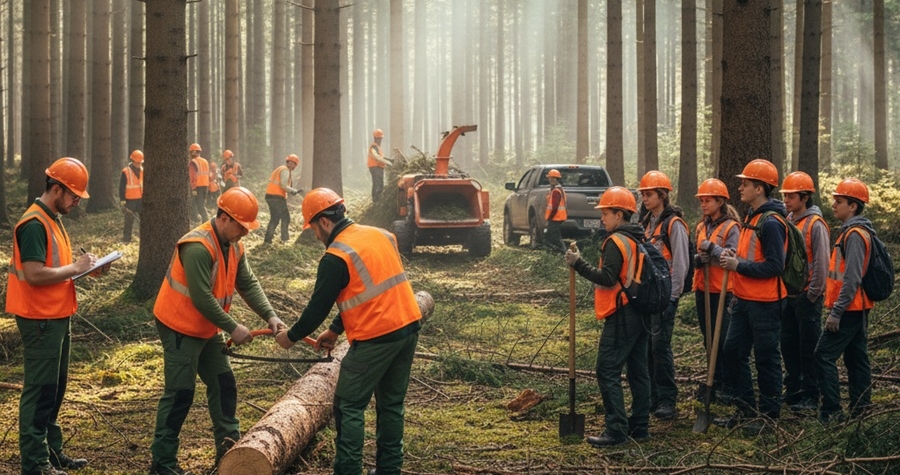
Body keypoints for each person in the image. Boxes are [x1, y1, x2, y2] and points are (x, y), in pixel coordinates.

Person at [275, 188, 422, 475]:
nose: (316, 236)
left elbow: (317, 307)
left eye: (315, 229)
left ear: (325, 222)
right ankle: (389, 470)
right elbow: (367, 291)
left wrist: (289, 337)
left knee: (348, 405)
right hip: (408, 327)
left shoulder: (335, 256)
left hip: (376, 337)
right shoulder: (382, 235)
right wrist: (335, 329)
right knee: (391, 405)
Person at [150, 187, 286, 475]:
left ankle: (230, 451)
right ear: (224, 218)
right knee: (180, 395)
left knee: (224, 384)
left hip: (207, 327)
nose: (245, 233)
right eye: (241, 226)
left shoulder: (234, 244)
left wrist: (270, 316)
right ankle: (162, 464)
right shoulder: (198, 247)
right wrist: (233, 327)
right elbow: (201, 297)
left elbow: (247, 283)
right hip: (180, 328)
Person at [6, 157, 106, 475]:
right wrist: (75, 268)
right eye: (74, 196)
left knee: (55, 387)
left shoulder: (52, 218)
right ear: (57, 189)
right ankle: (35, 463)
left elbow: (55, 269)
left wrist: (84, 270)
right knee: (40, 390)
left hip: (56, 314)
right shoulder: (34, 224)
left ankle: (50, 451)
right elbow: (35, 274)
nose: (77, 202)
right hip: (40, 318)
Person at [564, 186, 651, 447]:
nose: (602, 217)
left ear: (620, 215)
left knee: (606, 370)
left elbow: (607, 278)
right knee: (638, 371)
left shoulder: (616, 241)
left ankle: (616, 430)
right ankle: (640, 427)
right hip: (640, 312)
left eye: (606, 212)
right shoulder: (637, 238)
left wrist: (578, 263)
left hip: (623, 313)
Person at [718, 158, 787, 426]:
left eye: (745, 184)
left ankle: (769, 417)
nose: (741, 188)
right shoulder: (752, 217)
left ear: (760, 188)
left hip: (766, 303)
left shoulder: (770, 222)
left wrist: (739, 265)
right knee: (733, 351)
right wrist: (737, 256)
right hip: (745, 300)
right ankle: (746, 411)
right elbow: (754, 255)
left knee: (766, 359)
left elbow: (774, 266)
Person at [815, 178, 875, 424]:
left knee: (822, 355)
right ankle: (861, 410)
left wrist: (836, 312)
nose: (833, 205)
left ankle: (832, 412)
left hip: (849, 308)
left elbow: (851, 278)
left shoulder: (855, 235)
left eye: (839, 201)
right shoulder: (853, 232)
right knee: (856, 358)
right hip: (855, 307)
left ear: (853, 206)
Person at [637, 170, 689, 421]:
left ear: (663, 195)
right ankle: (652, 397)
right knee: (647, 346)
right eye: (643, 194)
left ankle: (668, 400)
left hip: (666, 295)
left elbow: (681, 262)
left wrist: (673, 295)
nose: (645, 198)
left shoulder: (674, 224)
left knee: (660, 346)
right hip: (648, 295)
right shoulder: (645, 222)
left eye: (649, 194)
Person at [779, 171, 830, 413]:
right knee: (788, 344)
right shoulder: (788, 220)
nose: (787, 200)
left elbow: (821, 262)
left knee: (808, 346)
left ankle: (811, 394)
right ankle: (794, 390)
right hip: (788, 295)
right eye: (785, 195)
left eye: (792, 196)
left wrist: (811, 295)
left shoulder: (815, 224)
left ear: (805, 197)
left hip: (808, 297)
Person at [692, 178, 740, 402]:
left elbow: (733, 256)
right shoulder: (701, 226)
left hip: (724, 291)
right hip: (703, 288)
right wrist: (698, 259)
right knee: (708, 338)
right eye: (701, 200)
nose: (703, 204)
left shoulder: (732, 227)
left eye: (708, 200)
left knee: (724, 341)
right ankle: (715, 380)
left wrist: (712, 248)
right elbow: (697, 254)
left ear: (720, 201)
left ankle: (729, 384)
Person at [263, 154, 302, 244]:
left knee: (275, 218)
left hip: (270, 196)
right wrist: (292, 190)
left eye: (294, 164)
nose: (293, 166)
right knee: (285, 218)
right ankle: (284, 240)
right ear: (290, 163)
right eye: (292, 164)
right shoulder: (285, 171)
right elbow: (283, 185)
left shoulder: (280, 168)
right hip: (277, 197)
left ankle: (268, 240)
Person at [120, 150, 144, 243]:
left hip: (141, 199)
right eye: (137, 163)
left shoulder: (142, 170)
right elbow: (121, 187)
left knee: (144, 220)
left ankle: (143, 238)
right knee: (129, 221)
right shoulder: (126, 171)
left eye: (140, 163)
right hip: (130, 200)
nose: (139, 164)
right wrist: (123, 200)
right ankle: (126, 239)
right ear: (133, 161)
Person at [543, 169, 567, 253]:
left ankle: (564, 253)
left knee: (555, 237)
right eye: (549, 178)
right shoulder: (557, 190)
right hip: (557, 218)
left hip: (555, 218)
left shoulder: (556, 191)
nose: (550, 180)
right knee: (553, 237)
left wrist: (549, 218)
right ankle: (558, 253)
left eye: (551, 178)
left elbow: (554, 208)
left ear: (555, 179)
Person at [367, 129, 391, 201]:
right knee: (377, 184)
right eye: (378, 138)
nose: (380, 140)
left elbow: (381, 157)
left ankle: (378, 199)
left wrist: (389, 160)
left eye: (380, 138)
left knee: (380, 184)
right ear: (375, 138)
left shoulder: (377, 147)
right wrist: (388, 163)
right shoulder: (373, 147)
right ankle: (376, 200)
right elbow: (377, 157)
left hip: (378, 167)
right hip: (375, 167)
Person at [188, 143, 210, 223]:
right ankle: (200, 220)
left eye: (191, 152)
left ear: (194, 152)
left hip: (197, 186)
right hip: (205, 186)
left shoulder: (193, 162)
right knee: (201, 204)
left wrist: (193, 188)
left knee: (196, 205)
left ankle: (204, 221)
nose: (190, 154)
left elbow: (193, 176)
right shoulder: (205, 161)